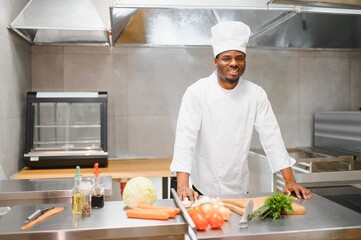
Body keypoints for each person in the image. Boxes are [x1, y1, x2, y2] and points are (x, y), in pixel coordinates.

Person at [170, 21, 312, 202]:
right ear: (215, 61)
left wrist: (290, 181)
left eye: (239, 58)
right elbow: (185, 140)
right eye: (227, 58)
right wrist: (183, 186)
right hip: (203, 189)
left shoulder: (256, 94)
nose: (234, 63)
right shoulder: (197, 92)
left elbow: (272, 137)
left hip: (240, 187)